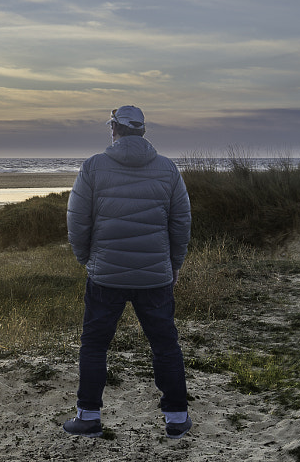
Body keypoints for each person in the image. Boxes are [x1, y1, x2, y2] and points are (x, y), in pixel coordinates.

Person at [61, 105, 193, 439]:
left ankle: (88, 417)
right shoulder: (167, 169)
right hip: (155, 278)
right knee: (165, 346)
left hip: (105, 276)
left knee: (94, 346)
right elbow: (181, 223)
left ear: (114, 129)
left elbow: (77, 220)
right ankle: (177, 419)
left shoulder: (93, 166)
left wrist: (86, 258)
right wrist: (174, 265)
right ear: (143, 132)